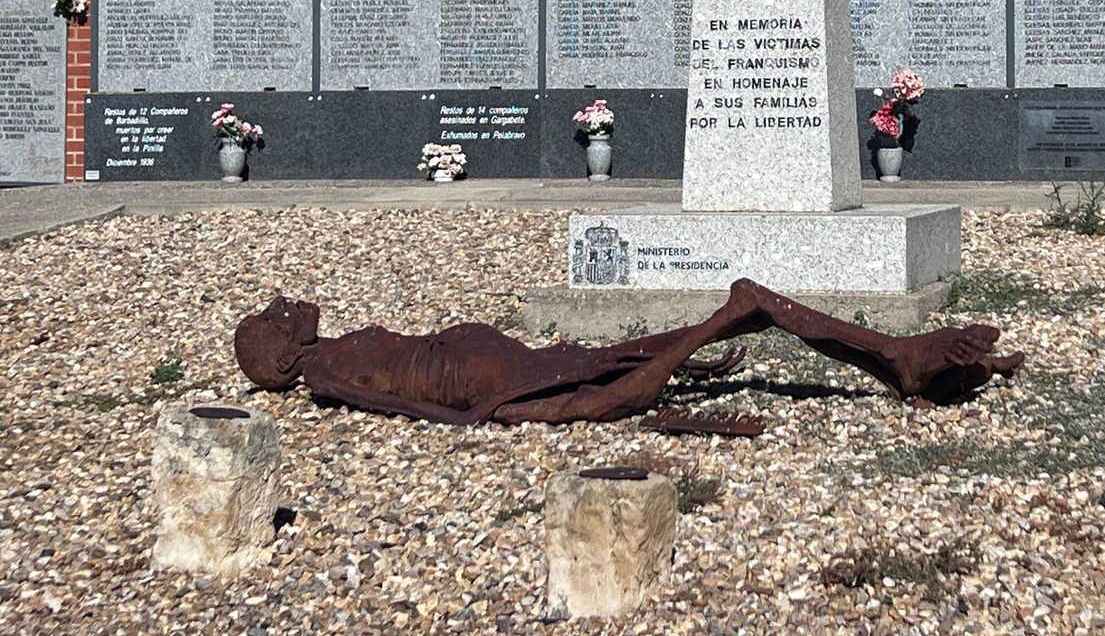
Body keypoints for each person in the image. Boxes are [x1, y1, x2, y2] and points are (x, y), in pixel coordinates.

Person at [235, 278, 1023, 426]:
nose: (286, 306)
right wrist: (476, 418)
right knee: (745, 306)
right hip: (492, 381)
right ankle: (899, 359)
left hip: (509, 362)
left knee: (741, 315)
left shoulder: (329, 347)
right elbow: (382, 398)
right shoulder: (325, 371)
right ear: (279, 356)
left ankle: (900, 360)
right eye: (275, 318)